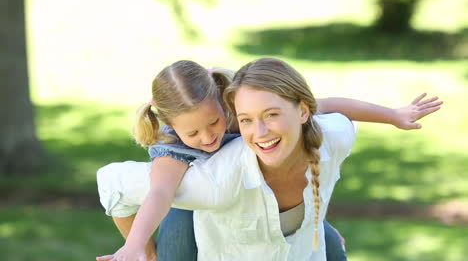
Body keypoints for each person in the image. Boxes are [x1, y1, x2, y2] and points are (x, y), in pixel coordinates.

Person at [96, 59, 442, 261]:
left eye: (215, 123)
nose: (207, 138)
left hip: (269, 212)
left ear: (224, 104)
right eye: (194, 133)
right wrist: (137, 246)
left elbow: (330, 105)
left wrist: (394, 115)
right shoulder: (175, 149)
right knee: (181, 229)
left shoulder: (245, 113)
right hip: (186, 207)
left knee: (328, 242)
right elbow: (157, 193)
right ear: (172, 127)